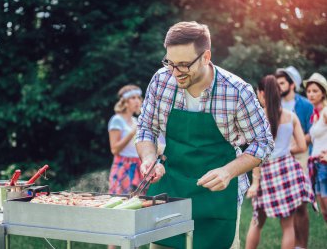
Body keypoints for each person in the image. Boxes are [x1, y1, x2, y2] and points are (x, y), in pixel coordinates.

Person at [135, 21, 274, 249]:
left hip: (218, 198)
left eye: (183, 65)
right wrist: (149, 159)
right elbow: (145, 129)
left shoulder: (237, 91)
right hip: (171, 191)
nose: (175, 72)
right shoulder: (161, 81)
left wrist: (228, 171)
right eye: (170, 63)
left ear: (206, 56)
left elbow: (264, 143)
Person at [245, 75, 316, 249]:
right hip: (287, 169)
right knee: (288, 226)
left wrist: (255, 182)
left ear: (261, 93)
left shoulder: (257, 119)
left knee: (256, 222)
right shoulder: (291, 116)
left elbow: (255, 153)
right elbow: (301, 146)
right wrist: (284, 151)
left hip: (264, 171)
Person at [275, 66, 314, 248]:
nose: (278, 86)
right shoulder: (275, 104)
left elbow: (311, 132)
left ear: (292, 84)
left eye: (282, 83)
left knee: (300, 206)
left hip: (300, 157)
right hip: (280, 159)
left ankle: (302, 245)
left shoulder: (305, 105)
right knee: (287, 206)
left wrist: (295, 145)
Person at [108, 84, 143, 195]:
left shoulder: (135, 120)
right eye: (133, 98)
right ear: (125, 102)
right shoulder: (117, 120)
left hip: (138, 164)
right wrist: (132, 132)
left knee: (139, 201)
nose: (137, 101)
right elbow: (114, 150)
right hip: (123, 164)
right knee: (120, 200)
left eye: (138, 97)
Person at [304, 72, 327, 222]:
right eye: (309, 91)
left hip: (325, 164)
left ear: (323, 93)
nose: (311, 94)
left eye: (315, 91)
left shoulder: (325, 112)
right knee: (325, 211)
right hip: (316, 164)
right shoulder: (316, 115)